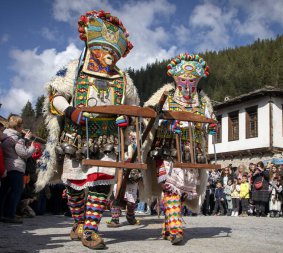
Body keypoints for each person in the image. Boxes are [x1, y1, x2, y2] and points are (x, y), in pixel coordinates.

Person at [35, 10, 139, 249]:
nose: (109, 56)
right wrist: (70, 111)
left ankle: (91, 229)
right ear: (93, 47)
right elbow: (55, 96)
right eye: (106, 50)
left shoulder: (124, 79)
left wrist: (127, 118)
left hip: (108, 138)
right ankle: (79, 221)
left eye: (114, 52)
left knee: (102, 182)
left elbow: (133, 107)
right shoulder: (74, 70)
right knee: (75, 185)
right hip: (76, 135)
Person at [141, 53, 213, 245]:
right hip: (166, 148)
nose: (188, 84)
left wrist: (210, 125)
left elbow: (208, 121)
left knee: (182, 190)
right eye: (184, 80)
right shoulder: (166, 94)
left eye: (193, 80)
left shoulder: (203, 101)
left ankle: (168, 226)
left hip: (192, 152)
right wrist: (162, 121)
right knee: (171, 187)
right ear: (176, 78)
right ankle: (175, 228)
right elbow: (148, 113)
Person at [0, 115, 35, 223]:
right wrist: (31, 146)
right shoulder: (15, 138)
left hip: (7, 167)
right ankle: (10, 215)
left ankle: (3, 213)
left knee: (4, 191)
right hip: (16, 167)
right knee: (16, 191)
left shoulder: (5, 136)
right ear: (18, 127)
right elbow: (23, 153)